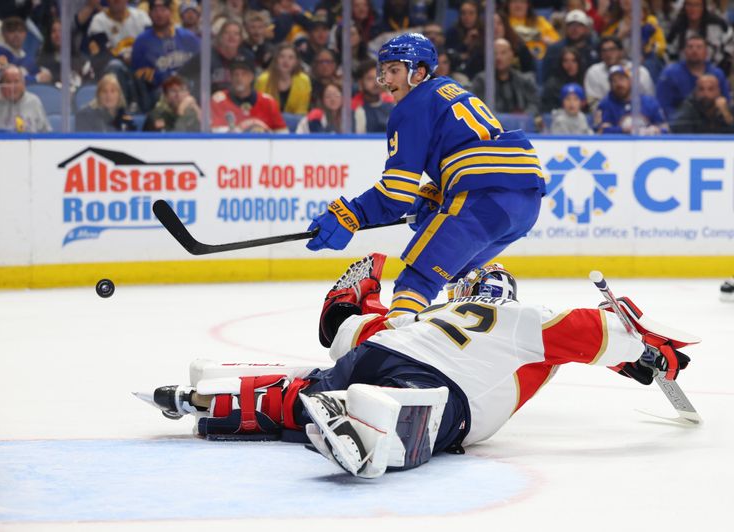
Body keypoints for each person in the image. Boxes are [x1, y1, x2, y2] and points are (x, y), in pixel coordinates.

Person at [138, 256, 694, 478]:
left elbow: (346, 336)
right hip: (441, 384)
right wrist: (651, 354)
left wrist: (357, 303)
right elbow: (599, 330)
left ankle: (220, 398)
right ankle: (364, 424)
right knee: (419, 414)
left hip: (383, 349)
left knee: (312, 384)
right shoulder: (526, 319)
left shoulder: (430, 313)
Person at [305, 33, 544, 317]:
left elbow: (395, 195)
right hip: (526, 201)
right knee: (461, 275)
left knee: (417, 280)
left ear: (418, 72)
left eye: (394, 70)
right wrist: (438, 191)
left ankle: (396, 342)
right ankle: (476, 326)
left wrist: (352, 214)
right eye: (384, 71)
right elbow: (473, 148)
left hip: (483, 198)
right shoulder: (449, 89)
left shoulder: (410, 107)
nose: (386, 80)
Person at [131, 0, 200, 106]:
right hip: (160, 92)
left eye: (163, 10)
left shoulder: (189, 38)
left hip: (189, 89)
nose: (159, 14)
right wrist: (164, 78)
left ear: (170, 12)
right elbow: (138, 72)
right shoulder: (141, 42)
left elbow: (202, 64)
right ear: (149, 14)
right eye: (155, 10)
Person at [656, 35, 731, 121]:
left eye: (699, 47)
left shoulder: (717, 74)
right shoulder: (670, 73)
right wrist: (678, 121)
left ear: (706, 52)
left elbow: (725, 101)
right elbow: (663, 105)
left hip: (712, 123)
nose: (694, 50)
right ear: (684, 51)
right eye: (690, 47)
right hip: (679, 122)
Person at [210, 56, 288, 133]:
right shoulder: (219, 101)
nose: (239, 78)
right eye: (235, 74)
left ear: (251, 77)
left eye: (244, 74)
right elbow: (215, 133)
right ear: (230, 77)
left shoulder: (268, 102)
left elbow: (283, 134)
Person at [469, 38, 541, 118]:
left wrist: (524, 116)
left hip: (520, 124)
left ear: (511, 55)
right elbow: (475, 107)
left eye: (503, 53)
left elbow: (535, 104)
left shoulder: (524, 80)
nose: (498, 57)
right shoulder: (481, 81)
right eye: (495, 53)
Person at [584, 36, 655, 111]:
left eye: (612, 50)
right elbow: (594, 104)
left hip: (639, 113)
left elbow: (650, 97)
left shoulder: (639, 71)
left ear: (621, 52)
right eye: (604, 51)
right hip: (607, 113)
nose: (608, 54)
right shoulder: (593, 72)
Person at [666, 0, 734, 77]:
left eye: (697, 5)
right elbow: (670, 53)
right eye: (689, 5)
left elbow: (729, 46)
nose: (693, 9)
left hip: (716, 72)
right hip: (683, 75)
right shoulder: (677, 27)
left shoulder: (718, 24)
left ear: (703, 7)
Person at [595, 65, 668, 135]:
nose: (618, 84)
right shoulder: (605, 104)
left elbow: (665, 128)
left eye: (621, 78)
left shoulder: (649, 102)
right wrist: (624, 130)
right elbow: (601, 130)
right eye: (613, 81)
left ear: (631, 80)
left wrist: (656, 130)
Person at [0, 64, 51, 132]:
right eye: (8, 82)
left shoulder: (34, 101)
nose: (12, 86)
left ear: (23, 84)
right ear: (1, 85)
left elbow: (46, 132)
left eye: (16, 81)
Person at [541, 9, 597, 86]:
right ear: (565, 28)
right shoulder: (554, 49)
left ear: (586, 29)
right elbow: (546, 78)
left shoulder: (594, 48)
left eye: (579, 25)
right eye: (571, 25)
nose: (574, 29)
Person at [86, 0, 151, 65]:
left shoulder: (141, 17)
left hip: (143, 64)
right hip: (115, 66)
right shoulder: (98, 21)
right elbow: (102, 54)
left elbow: (153, 43)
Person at [254, 42, 311, 115]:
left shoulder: (304, 81)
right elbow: (259, 108)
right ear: (276, 60)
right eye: (282, 56)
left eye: (291, 58)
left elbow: (301, 111)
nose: (286, 61)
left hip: (295, 120)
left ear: (296, 62)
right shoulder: (263, 80)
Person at [0, 16, 50, 84]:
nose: (16, 35)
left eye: (20, 31)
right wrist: (36, 78)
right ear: (4, 34)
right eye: (12, 31)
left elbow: (37, 71)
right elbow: (5, 78)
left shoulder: (26, 55)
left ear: (25, 34)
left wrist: (44, 73)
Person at [670, 74, 734, 134]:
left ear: (718, 91)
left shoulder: (727, 110)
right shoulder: (688, 109)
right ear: (696, 92)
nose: (705, 94)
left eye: (711, 89)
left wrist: (726, 114)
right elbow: (679, 131)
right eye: (701, 89)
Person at [541, 46, 586, 113]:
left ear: (579, 63)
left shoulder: (586, 82)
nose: (570, 65)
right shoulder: (552, 84)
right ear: (560, 63)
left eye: (574, 61)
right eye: (565, 61)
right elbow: (546, 109)